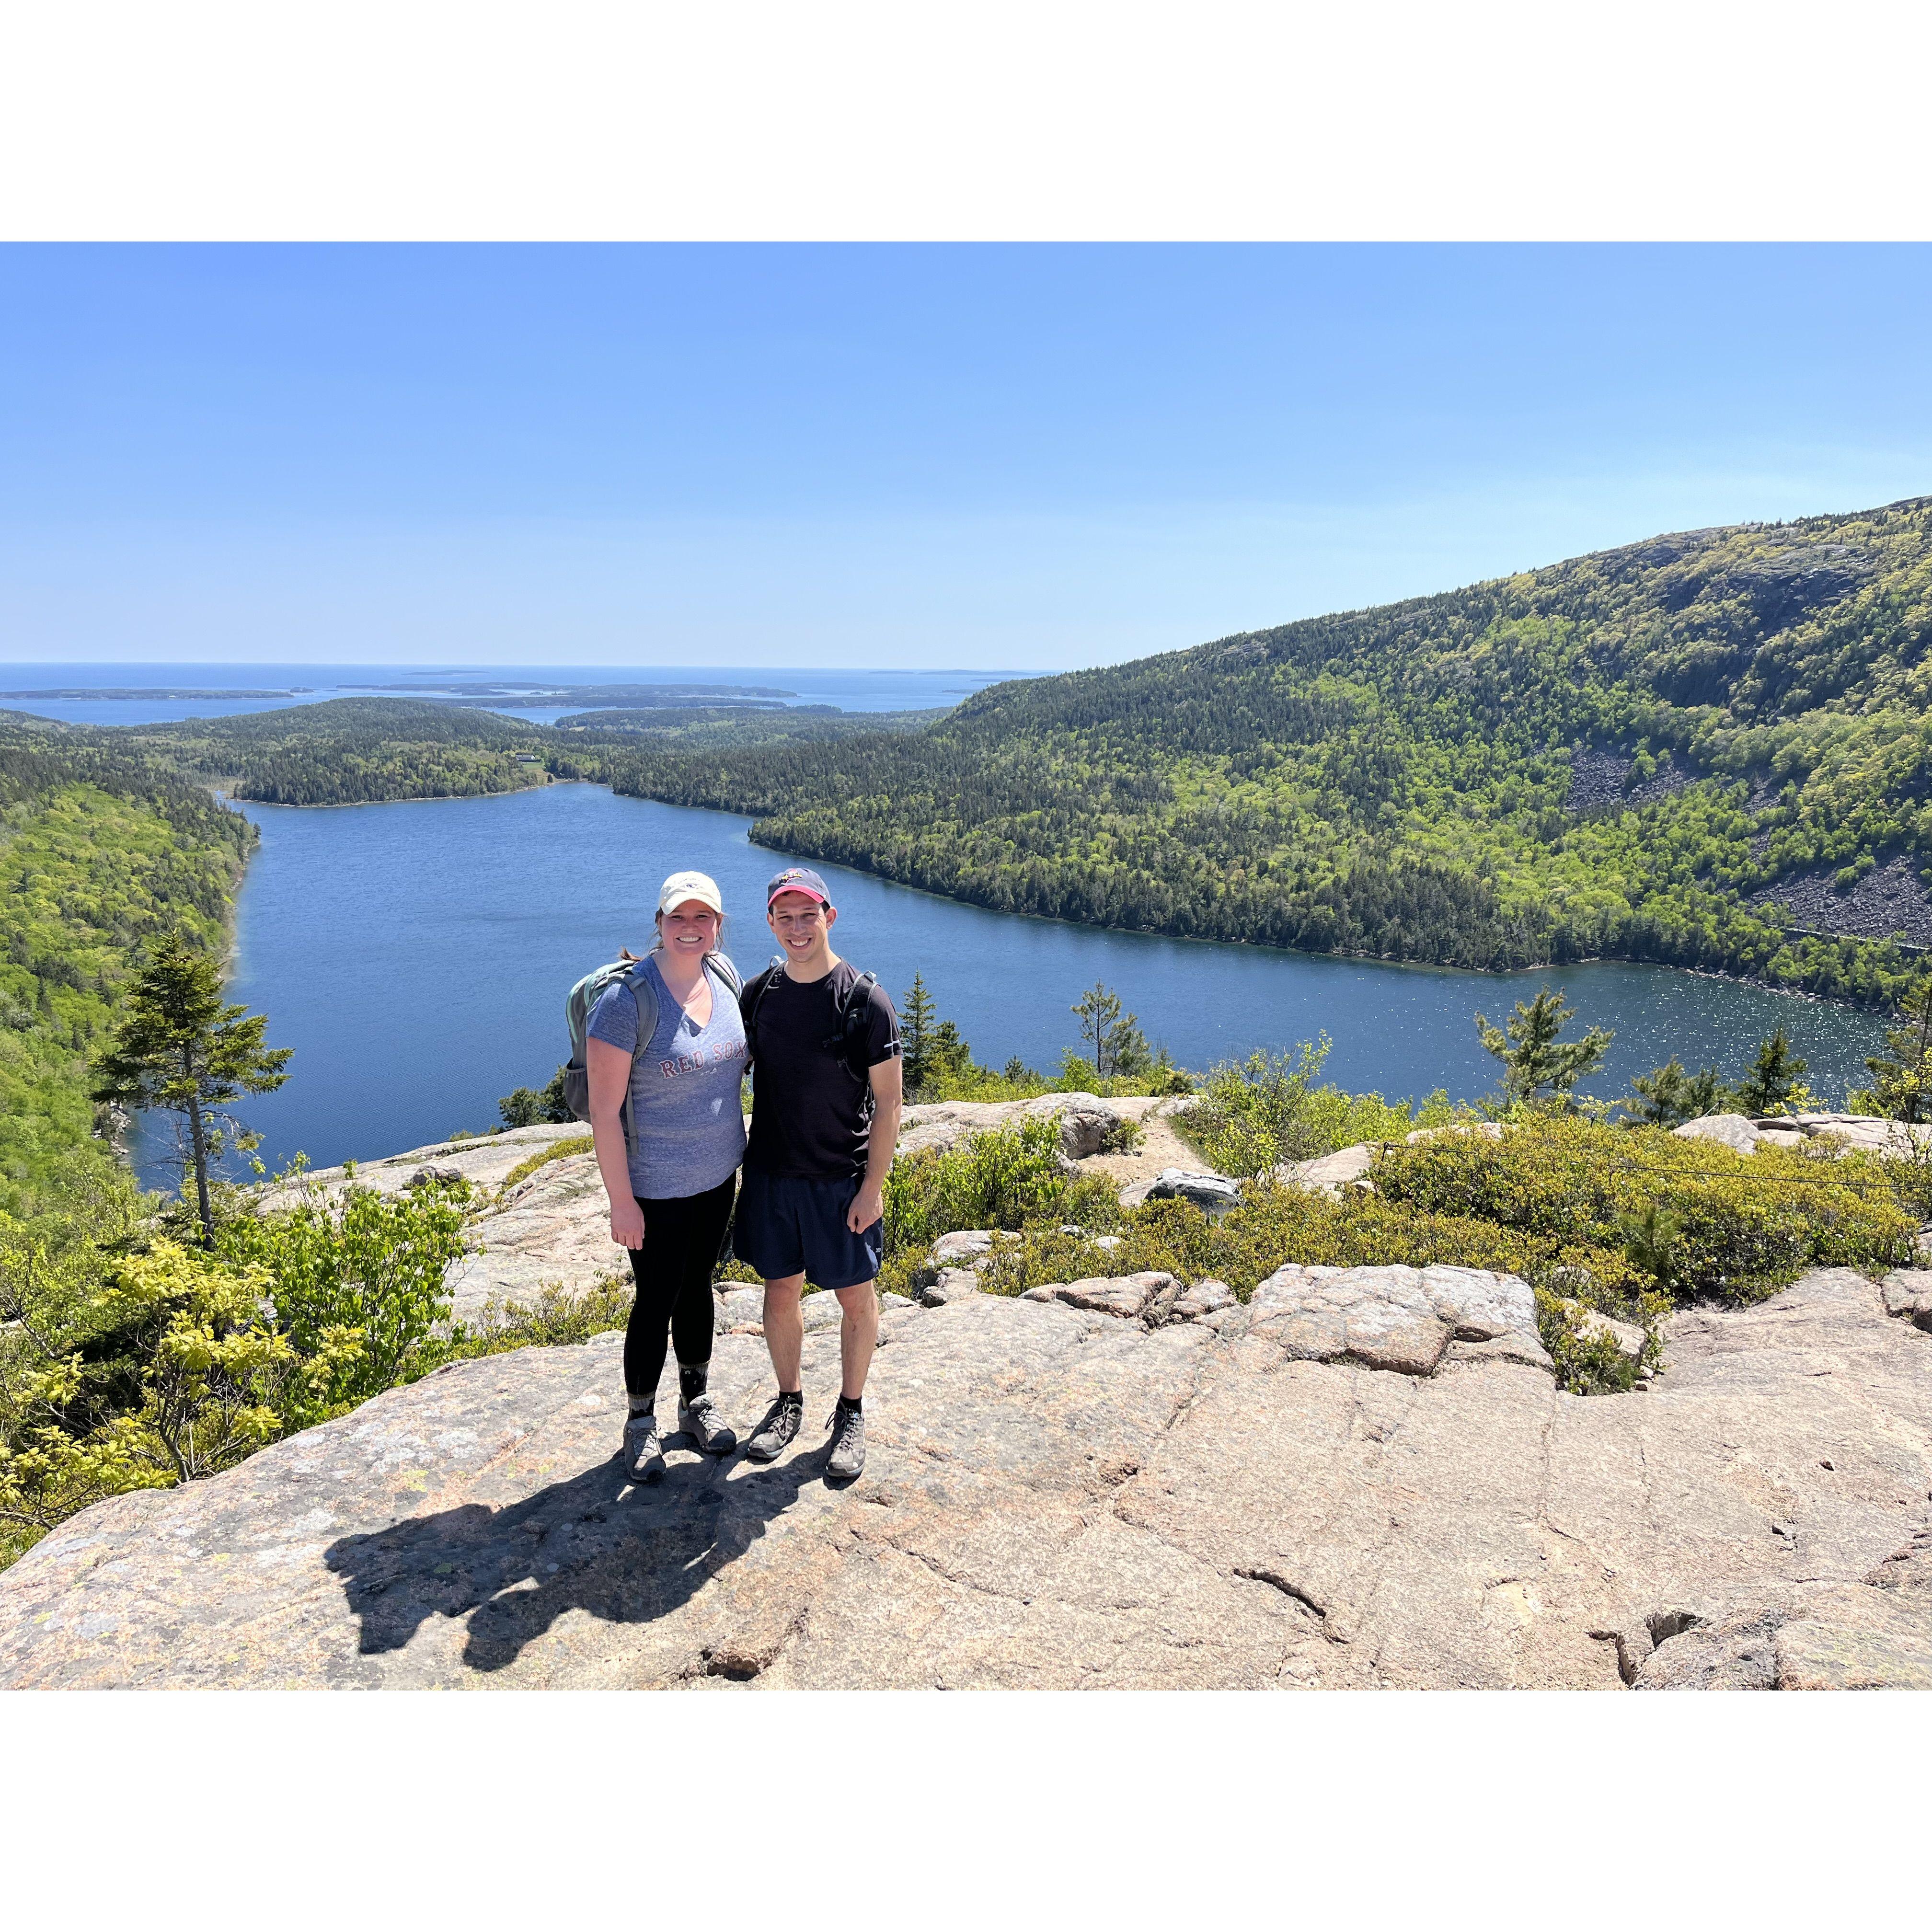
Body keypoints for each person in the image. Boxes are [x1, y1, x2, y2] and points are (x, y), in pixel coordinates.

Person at [735, 865, 902, 1480]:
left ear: (830, 917)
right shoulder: (759, 996)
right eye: (786, 916)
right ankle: (789, 1401)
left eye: (809, 915)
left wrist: (872, 1188)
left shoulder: (865, 1001)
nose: (798, 928)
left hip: (839, 1180)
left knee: (855, 1298)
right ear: (772, 923)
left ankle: (851, 1410)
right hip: (774, 1177)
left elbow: (890, 1103)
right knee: (781, 1291)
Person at [585, 869, 747, 1484]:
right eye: (678, 917)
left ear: (717, 926)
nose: (690, 928)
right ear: (658, 922)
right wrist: (620, 1201)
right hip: (653, 1188)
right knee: (656, 1300)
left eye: (702, 918)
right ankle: (640, 1422)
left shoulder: (724, 980)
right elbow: (603, 1112)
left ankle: (695, 1402)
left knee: (699, 1285)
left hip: (716, 1178)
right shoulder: (627, 1002)